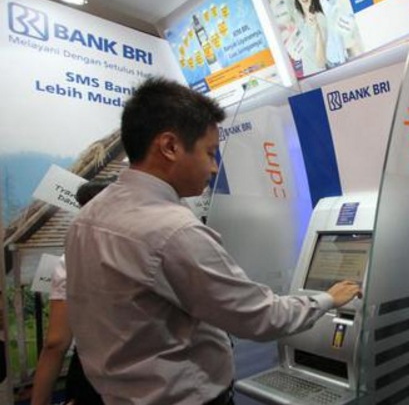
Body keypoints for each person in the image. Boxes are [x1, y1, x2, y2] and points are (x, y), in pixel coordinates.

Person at [65, 77, 361, 405]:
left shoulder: (87, 217)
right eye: (209, 152)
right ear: (170, 147)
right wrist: (328, 299)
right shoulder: (173, 231)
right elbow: (260, 317)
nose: (214, 167)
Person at [32, 179, 113, 405]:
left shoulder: (71, 260)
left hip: (92, 373)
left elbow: (56, 342)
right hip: (154, 375)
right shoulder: (151, 249)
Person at [292, 0, 327, 75]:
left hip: (320, 76)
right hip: (307, 77)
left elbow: (321, 62)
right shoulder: (298, 19)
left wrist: (317, 30)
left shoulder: (320, 18)